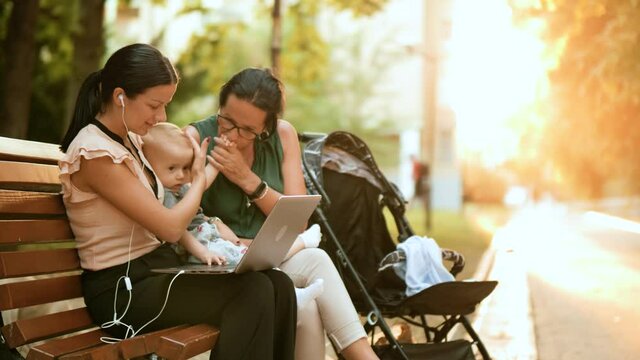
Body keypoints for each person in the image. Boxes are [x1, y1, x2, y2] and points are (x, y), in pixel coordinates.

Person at [58, 44, 296, 360]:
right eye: (155, 105)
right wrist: (199, 178)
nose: (163, 116)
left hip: (155, 272)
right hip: (122, 291)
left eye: (165, 105)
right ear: (120, 97)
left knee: (278, 283)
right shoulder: (96, 154)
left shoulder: (132, 143)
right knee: (251, 292)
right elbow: (170, 227)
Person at [186, 67, 380, 360]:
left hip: (272, 257)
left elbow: (297, 219)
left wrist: (248, 180)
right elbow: (181, 212)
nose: (233, 135)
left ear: (265, 128)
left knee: (311, 285)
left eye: (248, 130)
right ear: (220, 106)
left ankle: (362, 355)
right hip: (224, 265)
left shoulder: (283, 135)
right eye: (227, 120)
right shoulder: (195, 138)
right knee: (306, 298)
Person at [141, 122, 324, 307]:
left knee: (252, 258)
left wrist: (217, 161)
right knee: (251, 261)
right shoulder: (163, 197)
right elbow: (181, 234)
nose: (181, 175)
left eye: (185, 168)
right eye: (172, 168)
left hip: (209, 237)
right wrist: (204, 253)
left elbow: (201, 183)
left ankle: (292, 289)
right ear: (149, 167)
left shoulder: (177, 188)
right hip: (202, 247)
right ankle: (300, 253)